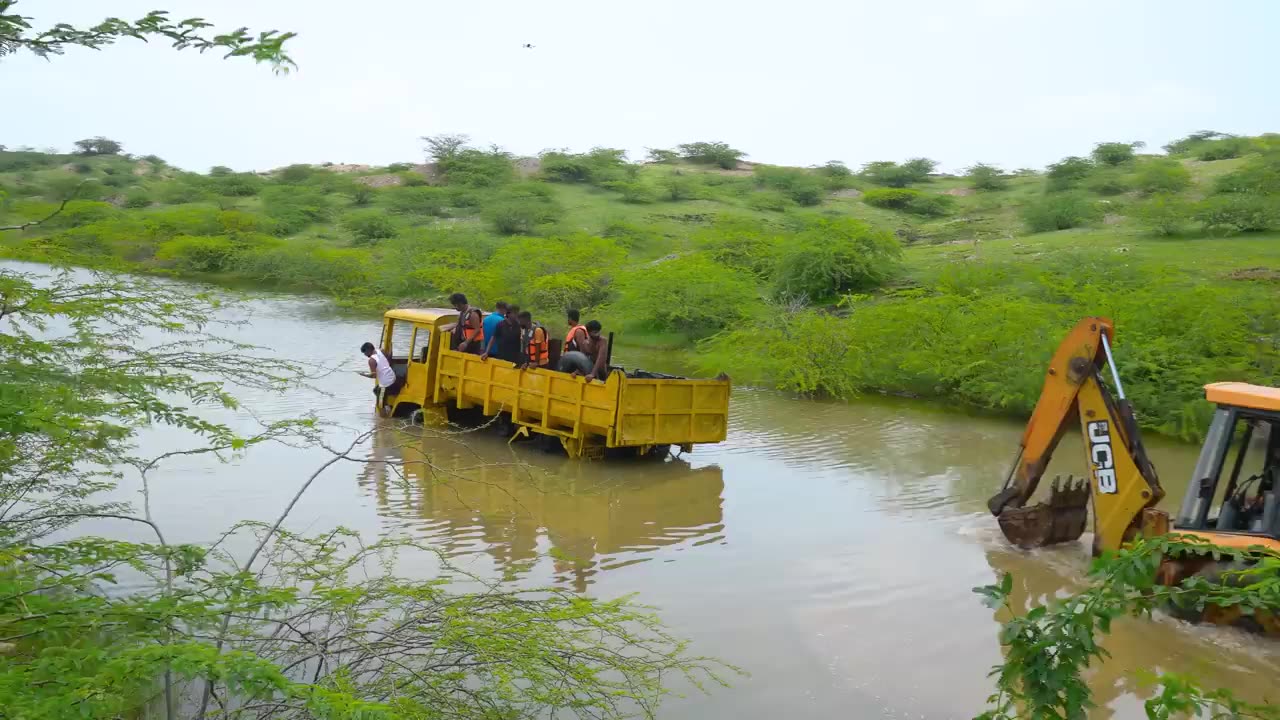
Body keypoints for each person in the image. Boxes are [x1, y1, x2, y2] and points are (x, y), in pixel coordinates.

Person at [360, 341, 403, 408]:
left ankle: (384, 416)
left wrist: (363, 374)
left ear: (368, 350)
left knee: (379, 406)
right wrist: (391, 348)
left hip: (386, 384)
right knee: (375, 390)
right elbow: (389, 359)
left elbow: (374, 376)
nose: (365, 355)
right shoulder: (381, 351)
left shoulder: (371, 360)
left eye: (364, 352)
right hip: (393, 378)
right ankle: (387, 403)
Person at [557, 308, 594, 375]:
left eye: (568, 318)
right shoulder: (574, 330)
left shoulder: (579, 331)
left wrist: (579, 370)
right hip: (570, 363)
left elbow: (583, 351)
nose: (567, 320)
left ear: (570, 318)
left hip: (575, 366)